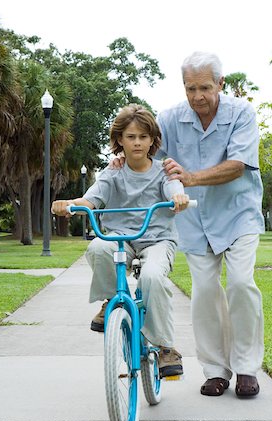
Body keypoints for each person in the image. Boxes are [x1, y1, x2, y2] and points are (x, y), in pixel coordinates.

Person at [112, 52, 265, 398]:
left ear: (220, 84)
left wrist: (191, 178)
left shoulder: (242, 113)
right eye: (190, 88)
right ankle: (215, 372)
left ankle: (246, 368)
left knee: (241, 284)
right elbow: (144, 142)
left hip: (238, 213)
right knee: (205, 293)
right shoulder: (169, 118)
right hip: (194, 219)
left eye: (205, 88)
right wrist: (124, 154)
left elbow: (238, 165)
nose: (197, 96)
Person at [51, 104, 190, 378]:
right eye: (130, 136)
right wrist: (69, 204)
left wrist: (179, 198)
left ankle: (165, 347)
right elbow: (90, 200)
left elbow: (175, 189)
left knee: (152, 277)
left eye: (143, 136)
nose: (137, 142)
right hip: (120, 239)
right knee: (98, 247)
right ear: (119, 140)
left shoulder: (165, 170)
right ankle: (111, 299)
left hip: (157, 240)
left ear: (152, 140)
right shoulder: (112, 172)